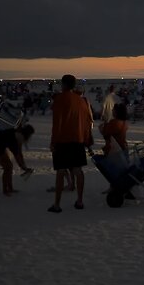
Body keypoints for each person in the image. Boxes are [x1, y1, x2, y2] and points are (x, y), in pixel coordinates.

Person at [48, 74, 93, 212]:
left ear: (63, 84)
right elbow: (87, 122)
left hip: (62, 140)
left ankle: (57, 204)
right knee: (78, 170)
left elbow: (57, 122)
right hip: (78, 139)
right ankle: (79, 201)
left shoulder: (60, 99)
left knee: (61, 171)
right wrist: (86, 139)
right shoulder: (81, 101)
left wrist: (53, 141)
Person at [0, 123, 36, 196]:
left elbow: (19, 154)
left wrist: (24, 166)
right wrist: (23, 167)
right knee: (8, 168)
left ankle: (10, 188)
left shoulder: (18, 135)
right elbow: (17, 155)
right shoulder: (16, 138)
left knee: (9, 167)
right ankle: (5, 190)